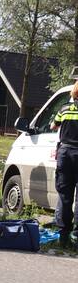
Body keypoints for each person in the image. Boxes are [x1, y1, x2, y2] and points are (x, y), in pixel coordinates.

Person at [51, 80, 78, 246]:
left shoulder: (64, 109)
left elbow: (53, 125)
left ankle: (63, 235)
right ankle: (77, 236)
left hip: (66, 154)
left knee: (65, 195)